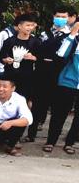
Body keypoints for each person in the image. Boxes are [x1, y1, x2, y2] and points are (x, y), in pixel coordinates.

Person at [30, 8, 73, 141]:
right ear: (53, 16)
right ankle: (31, 135)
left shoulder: (71, 35)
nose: (60, 18)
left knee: (57, 109)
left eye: (63, 16)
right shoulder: (44, 33)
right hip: (41, 74)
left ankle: (52, 138)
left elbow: (66, 55)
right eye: (58, 15)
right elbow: (38, 50)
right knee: (37, 106)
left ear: (68, 18)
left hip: (59, 75)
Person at [43, 20, 79, 154]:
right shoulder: (72, 39)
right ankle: (51, 141)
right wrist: (73, 34)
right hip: (67, 81)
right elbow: (60, 54)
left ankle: (70, 143)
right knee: (59, 113)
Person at [0, 13, 39, 100]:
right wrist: (6, 60)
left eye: (32, 25)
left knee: (23, 102)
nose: (30, 28)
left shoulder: (35, 42)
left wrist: (33, 57)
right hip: (10, 77)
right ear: (19, 26)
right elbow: (1, 57)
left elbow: (40, 58)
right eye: (27, 25)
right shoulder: (9, 41)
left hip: (27, 78)